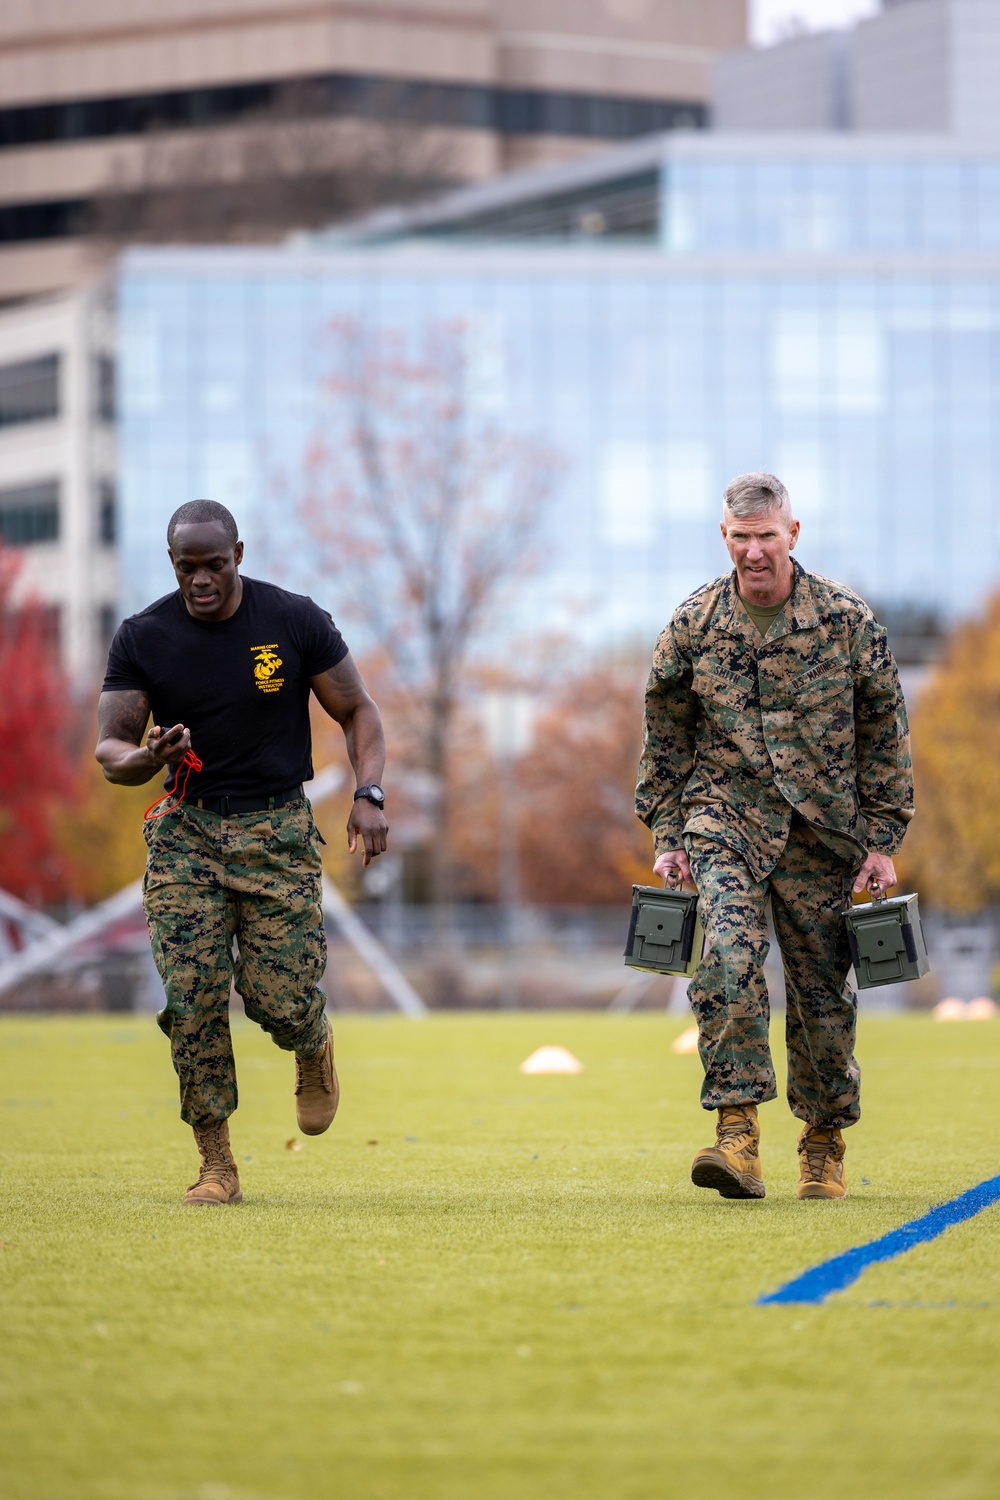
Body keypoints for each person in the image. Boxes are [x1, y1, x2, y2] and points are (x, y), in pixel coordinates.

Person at [96, 500, 388, 1206]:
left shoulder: (293, 620)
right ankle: (216, 1163)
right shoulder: (142, 637)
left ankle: (311, 1040)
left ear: (239, 554)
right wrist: (148, 755)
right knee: (191, 998)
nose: (200, 580)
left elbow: (358, 710)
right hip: (186, 834)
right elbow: (111, 752)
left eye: (214, 565)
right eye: (185, 567)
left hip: (276, 833)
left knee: (278, 997)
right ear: (173, 564)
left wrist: (369, 793)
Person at [635, 473, 913, 1201]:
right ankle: (737, 1135)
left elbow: (886, 731)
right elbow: (664, 734)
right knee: (726, 959)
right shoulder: (694, 625)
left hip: (823, 830)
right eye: (741, 537)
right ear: (723, 537)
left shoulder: (847, 621)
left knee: (823, 992)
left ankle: (823, 1139)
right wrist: (669, 830)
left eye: (766, 536)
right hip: (725, 818)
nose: (754, 552)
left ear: (793, 533)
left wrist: (882, 838)